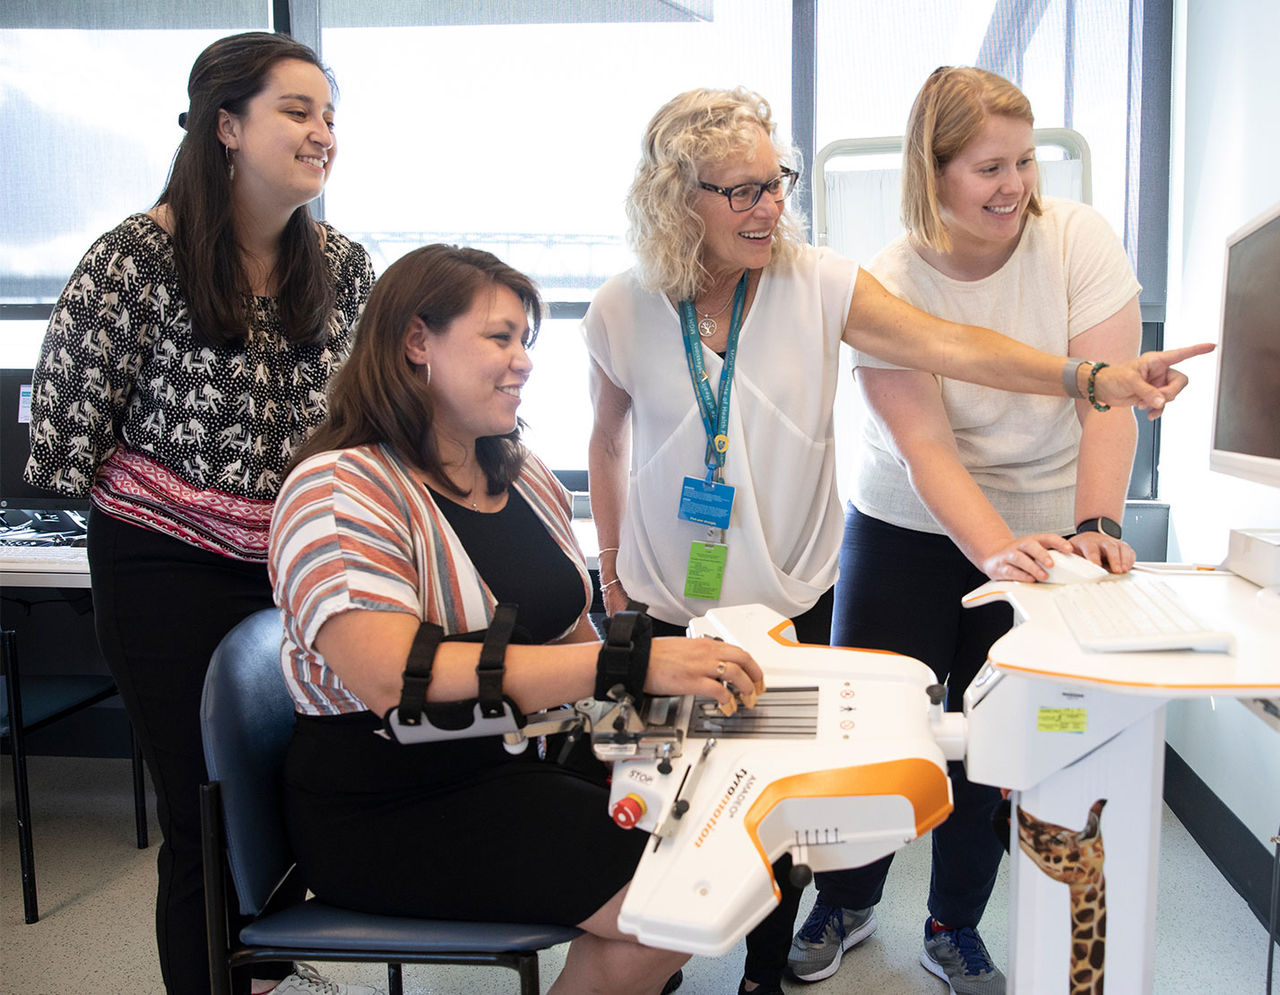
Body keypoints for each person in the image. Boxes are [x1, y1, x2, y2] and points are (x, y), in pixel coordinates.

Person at [583, 86, 1208, 995]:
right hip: (658, 595)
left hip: (791, 592)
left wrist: (1090, 375)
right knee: (644, 785)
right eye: (743, 192)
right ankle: (654, 962)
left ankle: (774, 966)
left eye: (776, 183)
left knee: (786, 794)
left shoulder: (820, 282)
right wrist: (610, 581)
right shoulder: (617, 307)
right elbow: (606, 440)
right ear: (680, 197)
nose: (771, 208)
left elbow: (956, 344)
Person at [269, 243, 765, 995]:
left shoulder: (517, 469)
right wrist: (634, 665)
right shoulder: (339, 487)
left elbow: (566, 631)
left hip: (513, 760)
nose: (523, 360)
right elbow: (396, 678)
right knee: (674, 903)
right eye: (499, 337)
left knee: (708, 849)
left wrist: (652, 722)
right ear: (415, 341)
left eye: (525, 340)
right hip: (390, 802)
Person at [23, 32, 375, 995]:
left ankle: (261, 971)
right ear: (227, 124)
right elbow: (62, 438)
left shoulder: (342, 266)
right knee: (208, 813)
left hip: (294, 571)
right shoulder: (135, 258)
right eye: (297, 112)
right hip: (165, 574)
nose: (323, 133)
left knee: (291, 798)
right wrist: (189, 500)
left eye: (330, 116)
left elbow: (363, 422)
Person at [785, 67, 1142, 994]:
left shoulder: (1077, 240)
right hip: (904, 522)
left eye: (1024, 161)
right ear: (931, 170)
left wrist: (1098, 522)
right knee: (869, 726)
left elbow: (1109, 396)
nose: (1014, 185)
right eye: (988, 167)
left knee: (997, 735)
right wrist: (990, 551)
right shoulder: (889, 284)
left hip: (1046, 521)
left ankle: (954, 925)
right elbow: (926, 451)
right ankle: (845, 900)